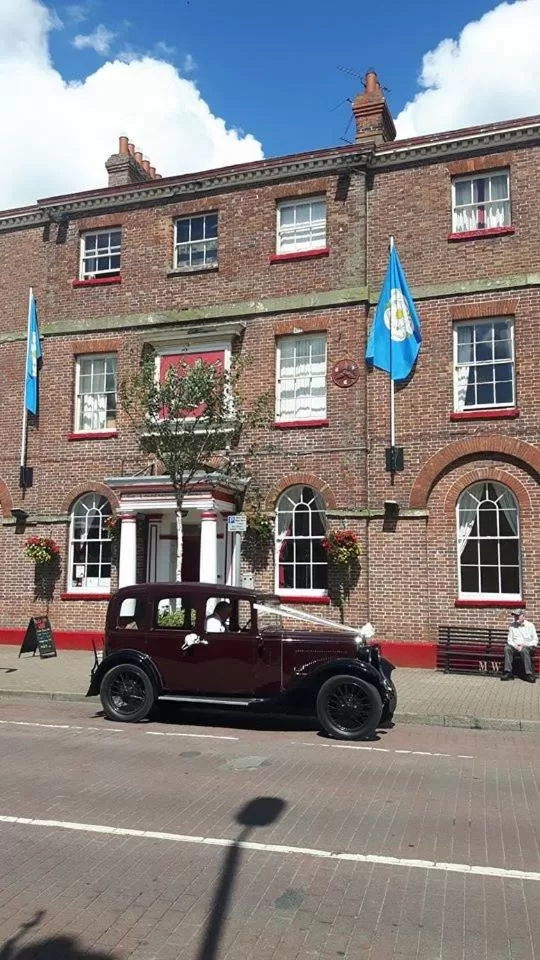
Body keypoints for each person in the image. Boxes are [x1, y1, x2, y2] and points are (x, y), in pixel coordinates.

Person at [501, 609, 538, 682]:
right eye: (515, 616)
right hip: (516, 646)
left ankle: (529, 674)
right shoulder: (512, 626)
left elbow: (535, 640)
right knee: (507, 648)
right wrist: (516, 646)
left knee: (524, 650)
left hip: (527, 646)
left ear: (523, 616)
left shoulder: (530, 625)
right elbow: (509, 640)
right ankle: (508, 673)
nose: (516, 617)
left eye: (518, 616)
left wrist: (524, 645)